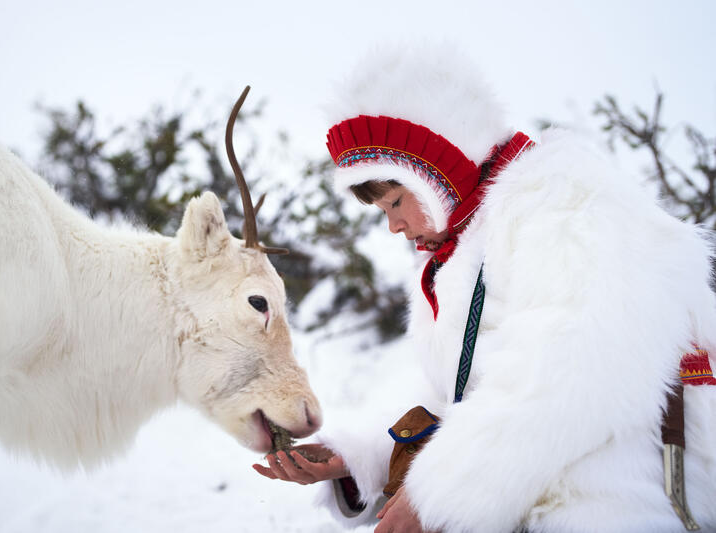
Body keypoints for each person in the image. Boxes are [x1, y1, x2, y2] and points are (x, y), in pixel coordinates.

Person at [253, 43, 716, 532]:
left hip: (619, 500)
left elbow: (567, 379)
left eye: (395, 201)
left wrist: (435, 496)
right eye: (383, 211)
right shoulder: (468, 248)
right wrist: (361, 457)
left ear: (435, 167)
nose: (394, 226)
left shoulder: (565, 206)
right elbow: (467, 396)